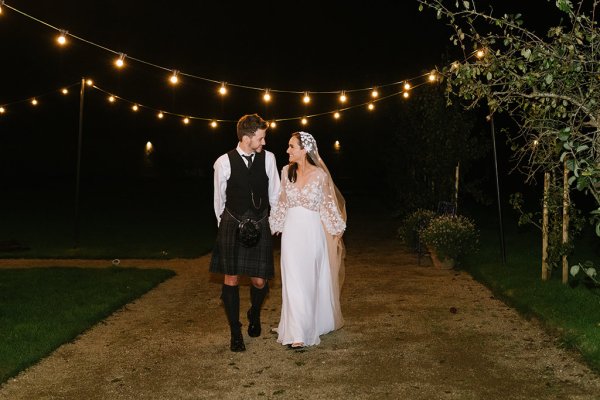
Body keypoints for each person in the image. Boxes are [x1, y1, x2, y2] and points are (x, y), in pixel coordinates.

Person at [209, 113, 280, 352]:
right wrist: (225, 227)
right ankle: (235, 332)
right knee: (231, 278)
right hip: (233, 223)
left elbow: (275, 195)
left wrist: (275, 223)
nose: (264, 143)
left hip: (260, 221)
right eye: (260, 138)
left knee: (260, 281)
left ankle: (255, 312)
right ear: (247, 138)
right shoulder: (223, 162)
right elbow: (219, 201)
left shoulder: (268, 158)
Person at [269, 131, 346, 348]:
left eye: (292, 146)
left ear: (304, 150)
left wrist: (335, 227)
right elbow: (281, 201)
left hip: (312, 234)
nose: (287, 150)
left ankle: (311, 323)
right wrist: (276, 223)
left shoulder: (320, 176)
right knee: (293, 280)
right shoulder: (286, 172)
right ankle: (298, 333)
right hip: (292, 234)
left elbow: (328, 205)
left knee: (309, 280)